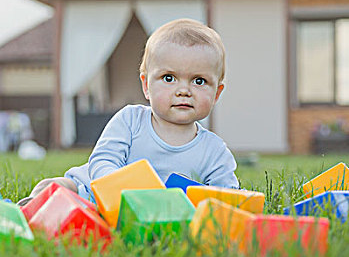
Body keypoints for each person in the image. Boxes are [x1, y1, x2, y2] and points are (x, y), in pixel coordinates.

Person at [17, 18, 239, 206]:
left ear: (217, 93)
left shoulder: (214, 152)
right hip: (94, 194)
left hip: (155, 212)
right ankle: (30, 208)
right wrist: (120, 188)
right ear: (146, 86)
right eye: (169, 78)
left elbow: (228, 200)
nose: (183, 90)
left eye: (199, 81)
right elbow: (103, 160)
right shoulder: (131, 120)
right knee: (57, 186)